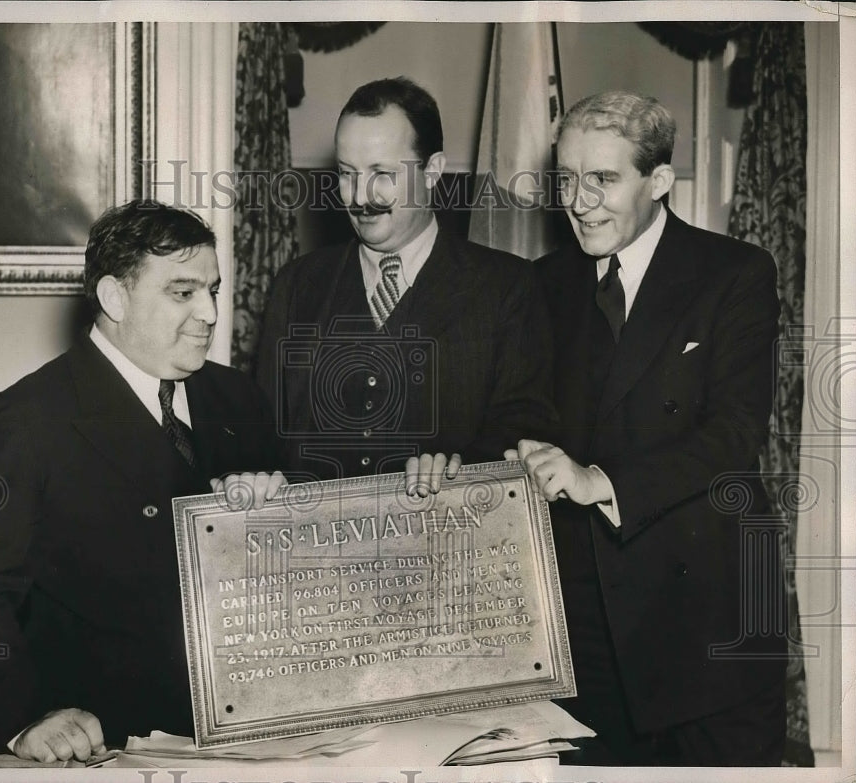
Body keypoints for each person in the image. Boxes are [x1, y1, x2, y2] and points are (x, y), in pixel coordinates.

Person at [0, 200, 285, 762]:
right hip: (104, 743)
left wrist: (280, 509)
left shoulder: (237, 399)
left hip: (249, 734)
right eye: (183, 292)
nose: (208, 313)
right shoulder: (29, 419)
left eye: (213, 290)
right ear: (113, 298)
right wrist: (21, 720)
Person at [508, 91, 785, 765]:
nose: (578, 201)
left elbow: (733, 434)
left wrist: (596, 478)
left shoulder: (735, 273)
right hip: (586, 623)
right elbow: (524, 406)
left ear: (659, 182)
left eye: (603, 179)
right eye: (566, 180)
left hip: (711, 624)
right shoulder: (543, 284)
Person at [256, 77, 557, 489]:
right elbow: (261, 436)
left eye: (382, 173)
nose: (360, 196)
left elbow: (523, 431)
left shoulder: (507, 286)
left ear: (432, 171)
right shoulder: (296, 286)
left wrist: (458, 470)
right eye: (347, 174)